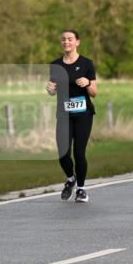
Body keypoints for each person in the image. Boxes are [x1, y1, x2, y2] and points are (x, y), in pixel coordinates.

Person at [46, 29, 97, 204]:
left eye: (70, 39)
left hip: (83, 115)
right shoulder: (55, 65)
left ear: (77, 42)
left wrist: (87, 83)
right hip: (64, 114)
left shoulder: (86, 63)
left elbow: (94, 92)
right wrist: (50, 90)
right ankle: (70, 179)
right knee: (63, 153)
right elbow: (52, 89)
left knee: (79, 152)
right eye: (63, 39)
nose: (66, 42)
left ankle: (81, 189)